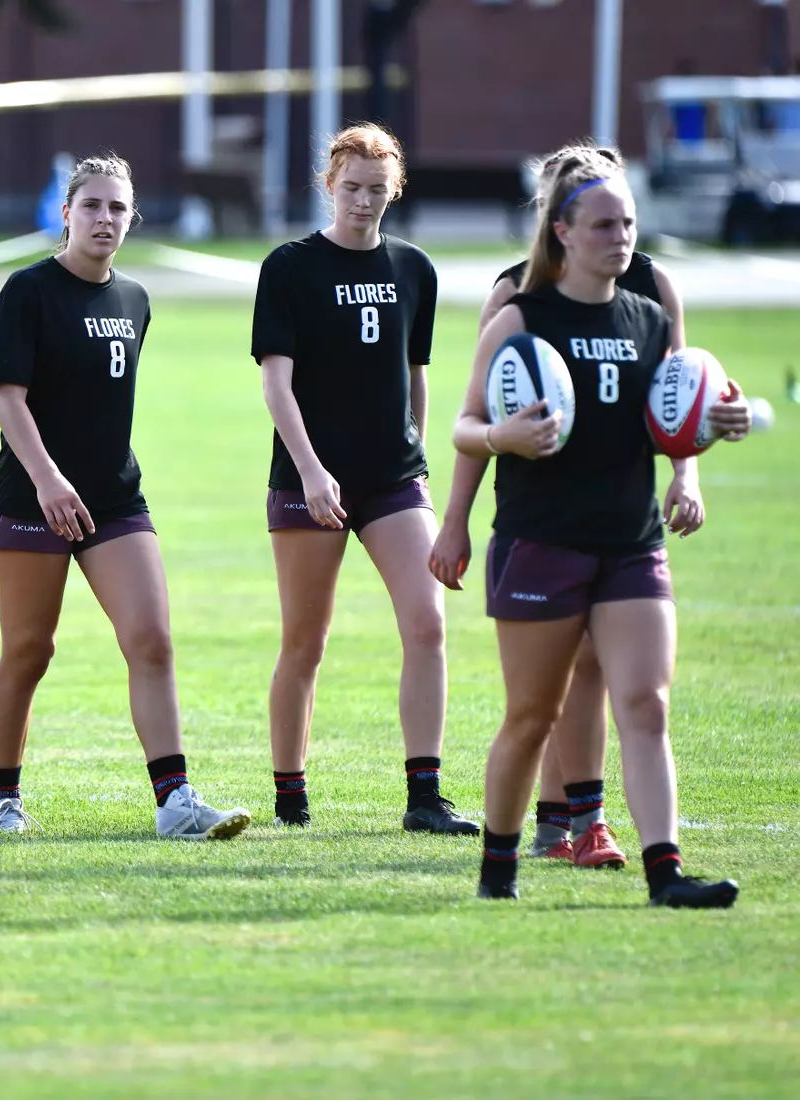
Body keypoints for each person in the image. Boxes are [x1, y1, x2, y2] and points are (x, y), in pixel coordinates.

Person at [431, 144, 751, 871]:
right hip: (542, 539)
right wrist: (497, 440)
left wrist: (706, 435)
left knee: (645, 704)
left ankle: (663, 871)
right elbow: (464, 426)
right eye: (604, 225)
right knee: (530, 716)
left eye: (628, 223)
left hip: (631, 541)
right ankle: (502, 860)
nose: (621, 238)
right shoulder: (518, 316)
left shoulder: (646, 313)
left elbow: (673, 407)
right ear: (562, 232)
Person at [0, 153, 250, 840]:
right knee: (29, 651)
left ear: (132, 218)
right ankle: (3, 799)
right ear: (64, 212)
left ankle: (174, 801)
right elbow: (8, 400)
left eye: (117, 208)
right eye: (92, 205)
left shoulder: (134, 298)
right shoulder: (27, 292)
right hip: (30, 497)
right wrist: (47, 478)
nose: (104, 219)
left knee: (151, 640)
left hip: (114, 499)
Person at [250, 123, 476, 835]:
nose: (363, 202)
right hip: (308, 479)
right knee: (304, 643)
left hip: (391, 480)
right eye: (351, 188)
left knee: (426, 622)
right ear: (328, 185)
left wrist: (413, 455)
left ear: (395, 189)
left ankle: (425, 797)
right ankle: (290, 793)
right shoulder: (288, 267)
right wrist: (313, 472)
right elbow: (276, 386)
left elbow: (414, 376)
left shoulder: (414, 269)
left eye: (377, 190)